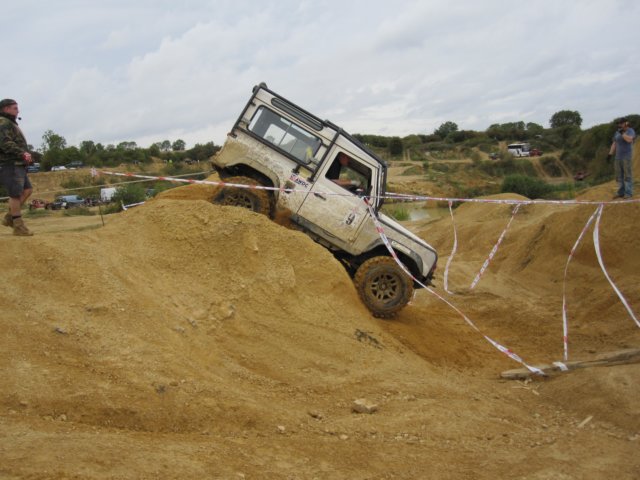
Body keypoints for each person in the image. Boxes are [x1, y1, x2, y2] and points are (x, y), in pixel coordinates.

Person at [0, 98, 34, 235]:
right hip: (10, 163)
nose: (18, 110)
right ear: (6, 109)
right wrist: (22, 153)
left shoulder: (9, 122)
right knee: (15, 194)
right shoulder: (3, 122)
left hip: (18, 163)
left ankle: (10, 217)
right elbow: (5, 143)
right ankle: (18, 227)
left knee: (28, 190)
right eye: (15, 108)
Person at [608, 117, 636, 199]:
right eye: (619, 123)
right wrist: (610, 154)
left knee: (627, 175)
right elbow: (614, 143)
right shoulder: (617, 132)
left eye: (621, 123)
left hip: (626, 157)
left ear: (626, 123)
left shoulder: (630, 131)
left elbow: (629, 140)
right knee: (619, 176)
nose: (619, 125)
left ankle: (628, 193)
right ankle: (621, 192)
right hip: (618, 157)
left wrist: (622, 133)